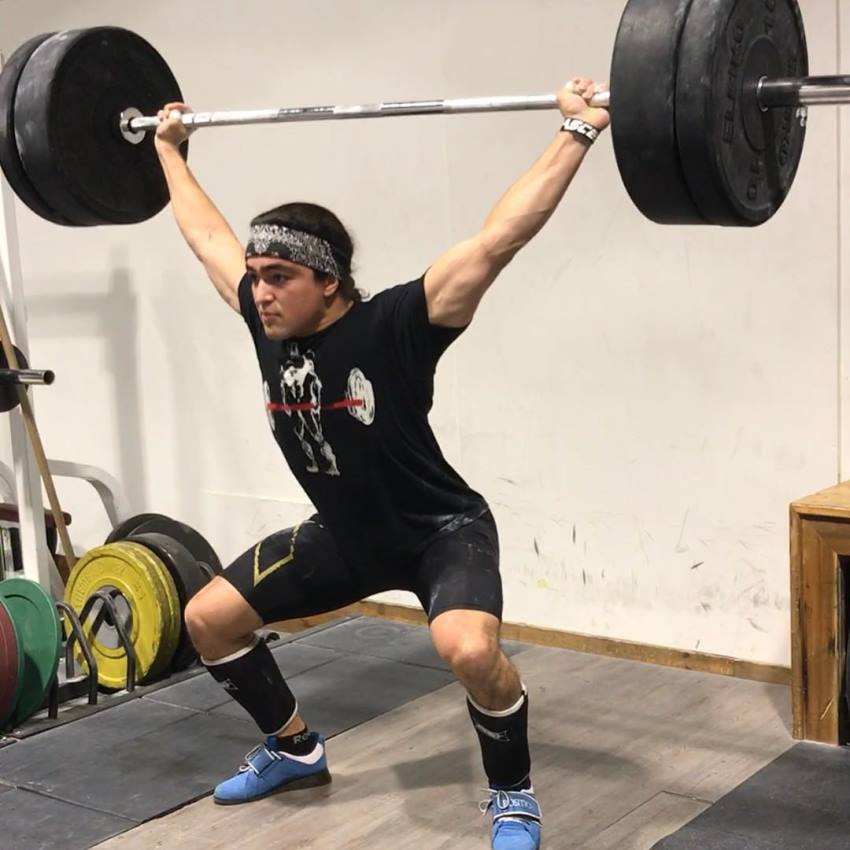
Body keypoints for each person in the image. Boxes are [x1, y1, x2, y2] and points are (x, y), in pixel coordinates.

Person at [154, 77, 609, 850]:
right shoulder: (269, 329)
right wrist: (169, 150)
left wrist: (578, 131)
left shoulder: (397, 323)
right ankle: (295, 749)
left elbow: (500, 237)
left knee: (467, 649)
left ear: (328, 280)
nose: (258, 293)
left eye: (279, 278)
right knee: (208, 619)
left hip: (439, 529)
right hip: (345, 533)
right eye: (256, 278)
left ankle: (514, 796)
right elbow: (206, 237)